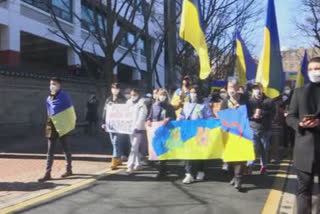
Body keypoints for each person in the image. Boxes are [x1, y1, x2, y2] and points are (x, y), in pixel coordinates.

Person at [286, 57, 320, 214]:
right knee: (303, 191)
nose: (314, 72)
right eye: (311, 69)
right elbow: (290, 116)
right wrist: (299, 124)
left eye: (317, 68)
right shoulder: (299, 92)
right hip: (303, 150)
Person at [38, 77, 76, 182]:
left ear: (59, 85)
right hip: (52, 126)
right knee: (50, 151)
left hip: (63, 125)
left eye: (54, 84)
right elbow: (49, 112)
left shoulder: (64, 97)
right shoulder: (48, 98)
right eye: (51, 84)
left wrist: (68, 124)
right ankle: (47, 173)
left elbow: (69, 113)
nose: (52, 86)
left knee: (66, 148)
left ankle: (69, 169)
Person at [180, 85, 214, 184]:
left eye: (195, 92)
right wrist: (180, 119)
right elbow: (183, 115)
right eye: (191, 92)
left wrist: (208, 123)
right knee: (188, 153)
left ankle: (200, 170)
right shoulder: (186, 104)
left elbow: (210, 117)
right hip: (189, 131)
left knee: (200, 152)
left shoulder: (204, 105)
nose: (193, 95)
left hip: (201, 132)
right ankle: (189, 174)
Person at [220, 80, 249, 190]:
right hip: (229, 134)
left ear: (238, 88)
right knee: (231, 158)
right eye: (229, 87)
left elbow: (249, 113)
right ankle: (233, 176)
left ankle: (239, 179)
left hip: (242, 133)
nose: (231, 89)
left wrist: (240, 109)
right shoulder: (225, 102)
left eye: (233, 87)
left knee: (240, 157)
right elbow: (222, 117)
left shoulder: (245, 100)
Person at [146, 89, 176, 179]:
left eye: (164, 95)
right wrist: (148, 121)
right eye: (161, 95)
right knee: (156, 149)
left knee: (163, 149)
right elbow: (150, 116)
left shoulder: (169, 107)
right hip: (155, 131)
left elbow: (174, 117)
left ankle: (162, 170)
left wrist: (169, 119)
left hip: (165, 130)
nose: (162, 97)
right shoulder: (154, 106)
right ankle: (162, 168)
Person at [247, 83, 276, 174]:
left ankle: (263, 166)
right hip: (253, 128)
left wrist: (262, 113)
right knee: (253, 148)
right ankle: (250, 166)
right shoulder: (249, 101)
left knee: (264, 149)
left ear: (262, 89)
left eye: (259, 88)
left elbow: (273, 114)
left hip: (265, 129)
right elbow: (245, 114)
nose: (257, 90)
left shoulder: (269, 101)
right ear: (252, 90)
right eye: (255, 88)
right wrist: (253, 115)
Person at [102, 82, 126, 170]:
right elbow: (104, 111)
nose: (115, 90)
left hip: (119, 125)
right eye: (113, 88)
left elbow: (125, 111)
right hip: (110, 124)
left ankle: (114, 161)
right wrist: (103, 122)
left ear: (119, 90)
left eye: (116, 88)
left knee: (116, 141)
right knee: (113, 142)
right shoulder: (108, 99)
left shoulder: (123, 99)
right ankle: (119, 158)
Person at [126, 88, 148, 174]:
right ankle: (138, 164)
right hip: (129, 128)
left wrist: (137, 126)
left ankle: (130, 166)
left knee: (134, 147)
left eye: (134, 95)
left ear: (138, 95)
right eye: (131, 95)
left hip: (138, 129)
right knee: (134, 147)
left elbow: (142, 116)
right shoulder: (128, 103)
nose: (132, 96)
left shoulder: (141, 104)